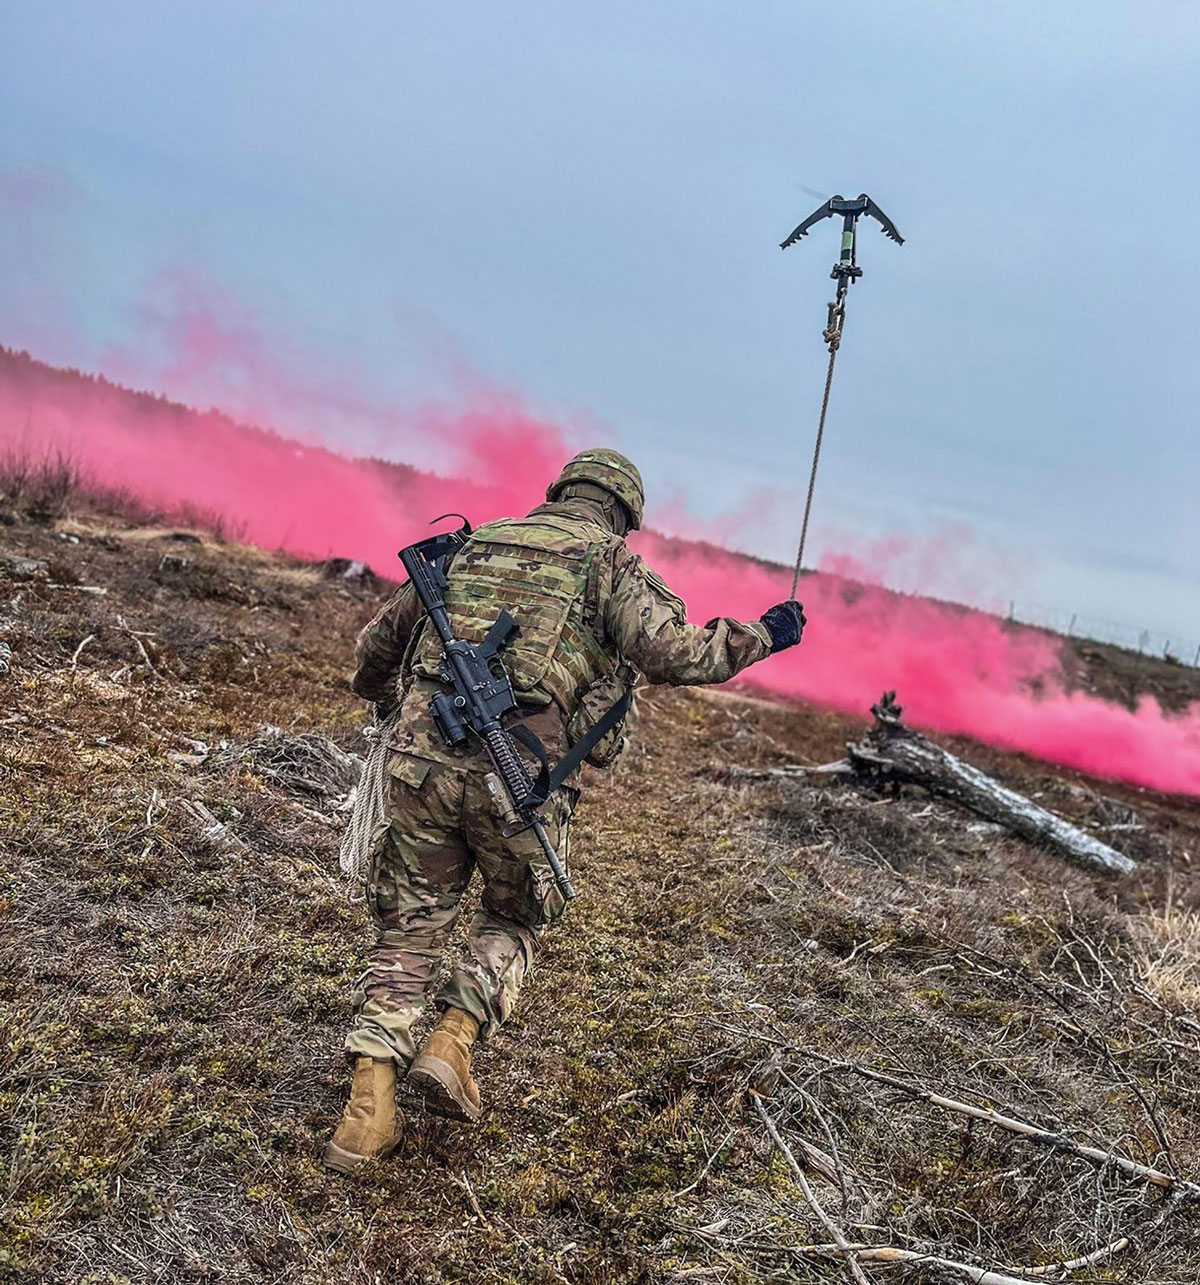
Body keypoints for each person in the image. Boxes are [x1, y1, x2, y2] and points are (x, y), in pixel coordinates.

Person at [324, 448, 805, 1175]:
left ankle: (367, 1114)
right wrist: (766, 633)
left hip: (418, 767)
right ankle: (453, 1036)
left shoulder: (467, 546)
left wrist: (389, 703)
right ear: (624, 514)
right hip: (516, 780)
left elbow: (376, 651)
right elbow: (679, 653)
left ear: (558, 493)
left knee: (410, 924)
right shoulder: (611, 563)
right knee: (516, 914)